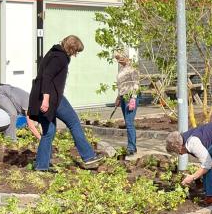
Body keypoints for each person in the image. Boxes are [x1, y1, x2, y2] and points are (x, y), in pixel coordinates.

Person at [28, 35, 102, 172]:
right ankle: (89, 156)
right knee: (74, 122)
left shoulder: (53, 52)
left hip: (43, 96)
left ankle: (41, 166)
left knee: (48, 132)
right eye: (76, 52)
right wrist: (46, 99)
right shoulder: (60, 58)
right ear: (72, 48)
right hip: (52, 98)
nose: (76, 55)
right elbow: (47, 76)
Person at [114, 52, 140, 155]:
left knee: (129, 122)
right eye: (117, 59)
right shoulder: (121, 69)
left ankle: (131, 148)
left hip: (131, 96)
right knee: (127, 122)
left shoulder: (132, 69)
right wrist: (118, 97)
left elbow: (136, 84)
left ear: (125, 57)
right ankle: (133, 145)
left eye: (120, 58)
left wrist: (133, 98)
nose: (118, 60)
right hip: (123, 97)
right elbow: (121, 85)